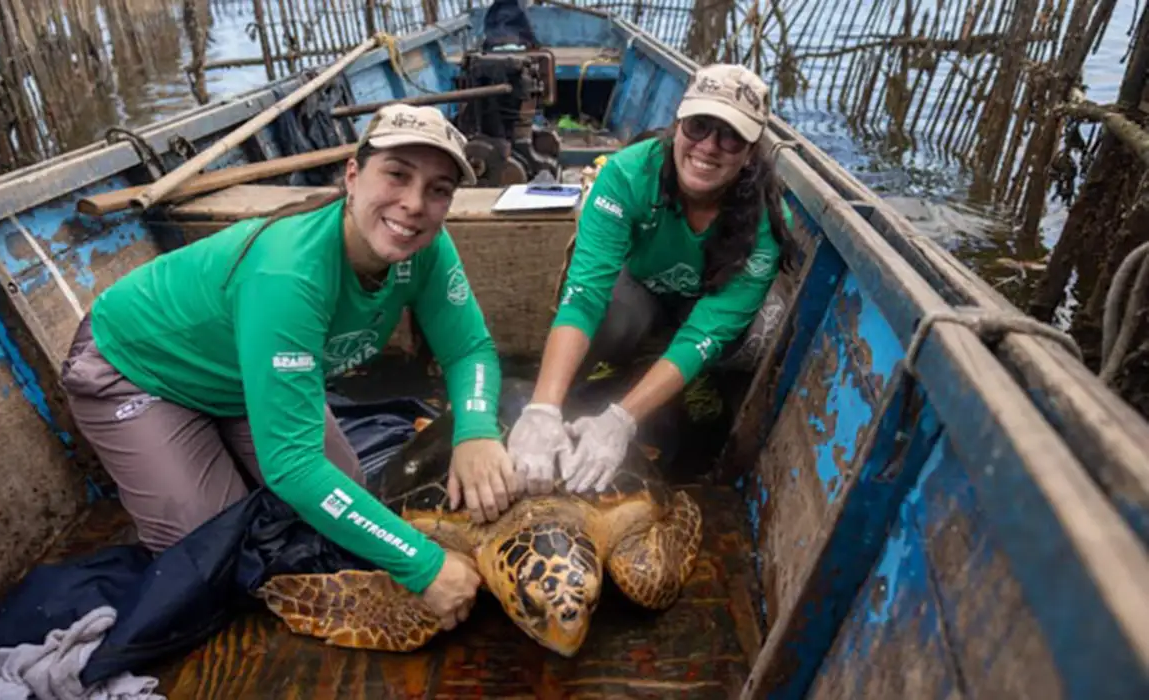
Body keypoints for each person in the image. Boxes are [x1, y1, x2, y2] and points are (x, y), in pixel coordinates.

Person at [58, 104, 521, 633]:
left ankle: (215, 450)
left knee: (348, 492)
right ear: (353, 175)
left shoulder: (426, 249)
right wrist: (422, 564)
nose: (414, 205)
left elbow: (469, 349)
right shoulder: (290, 272)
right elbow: (294, 465)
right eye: (396, 174)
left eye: (438, 190)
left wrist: (476, 429)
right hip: (136, 369)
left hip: (243, 381)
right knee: (214, 553)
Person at [507, 63, 794, 495]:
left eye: (731, 136)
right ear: (678, 125)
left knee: (761, 331)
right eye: (698, 126)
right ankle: (573, 390)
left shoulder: (766, 223)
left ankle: (688, 382)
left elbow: (707, 332)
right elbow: (583, 296)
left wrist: (621, 419)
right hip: (639, 293)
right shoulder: (626, 174)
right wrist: (543, 407)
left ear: (751, 152)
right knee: (609, 311)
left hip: (701, 311)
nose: (709, 146)